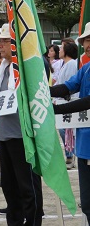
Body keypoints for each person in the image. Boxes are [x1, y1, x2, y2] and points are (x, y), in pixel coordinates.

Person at [0, 23, 43, 226]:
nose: (1, 45)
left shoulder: (25, 67)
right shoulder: (3, 67)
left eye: (5, 41)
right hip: (5, 133)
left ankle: (32, 222)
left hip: (23, 135)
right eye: (0, 41)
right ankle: (13, 221)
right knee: (9, 185)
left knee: (28, 186)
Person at [50, 23, 90, 224]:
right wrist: (43, 92)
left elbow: (89, 100)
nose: (88, 44)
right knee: (88, 202)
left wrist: (56, 110)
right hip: (84, 143)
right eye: (86, 40)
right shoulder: (86, 68)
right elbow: (68, 87)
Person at [54, 40, 78, 169]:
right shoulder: (65, 64)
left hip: (68, 101)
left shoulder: (71, 64)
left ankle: (70, 154)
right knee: (64, 129)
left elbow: (68, 85)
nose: (59, 51)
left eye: (62, 48)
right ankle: (69, 154)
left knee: (66, 129)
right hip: (62, 100)